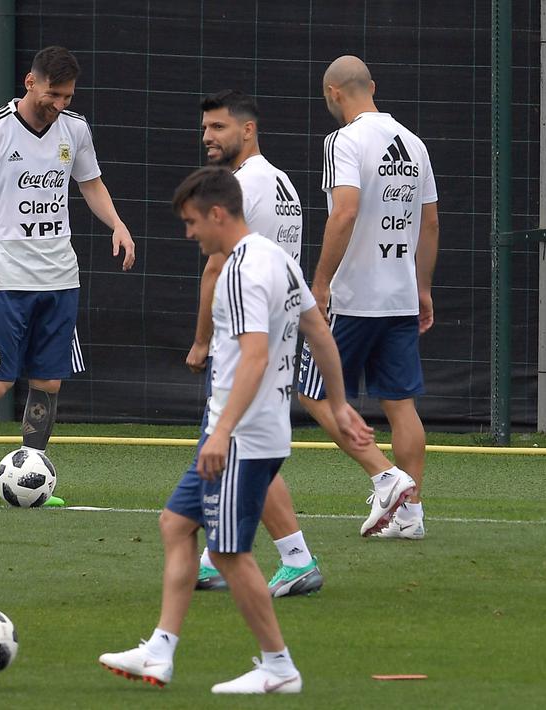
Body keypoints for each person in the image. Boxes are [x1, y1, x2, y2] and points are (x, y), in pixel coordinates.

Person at [99, 167, 372, 694]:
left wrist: (221, 433)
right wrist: (338, 404)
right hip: (244, 431)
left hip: (241, 438)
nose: (189, 233)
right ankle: (160, 651)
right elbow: (318, 332)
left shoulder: (245, 270)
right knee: (176, 526)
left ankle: (278, 666)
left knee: (227, 554)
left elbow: (253, 357)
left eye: (192, 221)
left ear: (218, 213)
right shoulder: (278, 260)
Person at [0, 45, 136, 506]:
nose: (60, 104)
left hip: (60, 277)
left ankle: (32, 475)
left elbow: (90, 183)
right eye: (54, 94)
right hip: (7, 278)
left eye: (67, 96)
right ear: (30, 83)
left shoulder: (76, 130)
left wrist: (118, 224)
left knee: (48, 383)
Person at [187, 90, 324, 596]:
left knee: (239, 450)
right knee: (244, 450)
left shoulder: (241, 185)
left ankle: (294, 558)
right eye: (205, 128)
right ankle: (220, 556)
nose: (208, 138)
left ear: (247, 130)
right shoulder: (282, 181)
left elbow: (215, 265)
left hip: (246, 341)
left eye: (218, 128)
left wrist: (201, 340)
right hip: (275, 336)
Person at [296, 55, 439, 539]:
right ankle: (411, 515)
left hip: (354, 299)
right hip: (399, 296)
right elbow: (431, 222)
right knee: (401, 405)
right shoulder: (415, 144)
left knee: (312, 392)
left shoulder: (343, 140)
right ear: (371, 86)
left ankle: (384, 477)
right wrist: (422, 287)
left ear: (333, 94)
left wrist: (319, 284)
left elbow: (345, 212)